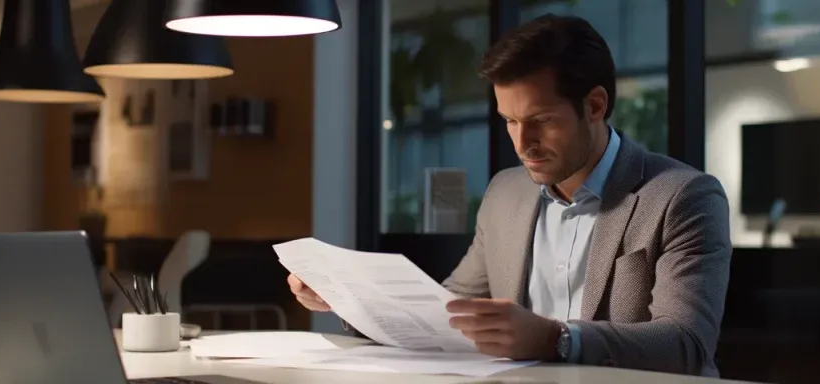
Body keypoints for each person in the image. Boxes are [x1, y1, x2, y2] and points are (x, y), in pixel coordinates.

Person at [288, 14, 731, 377]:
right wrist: (348, 298)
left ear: (595, 106)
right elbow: (448, 312)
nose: (523, 144)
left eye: (541, 120)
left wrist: (556, 338)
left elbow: (686, 343)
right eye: (510, 121)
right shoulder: (506, 192)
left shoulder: (682, 197)